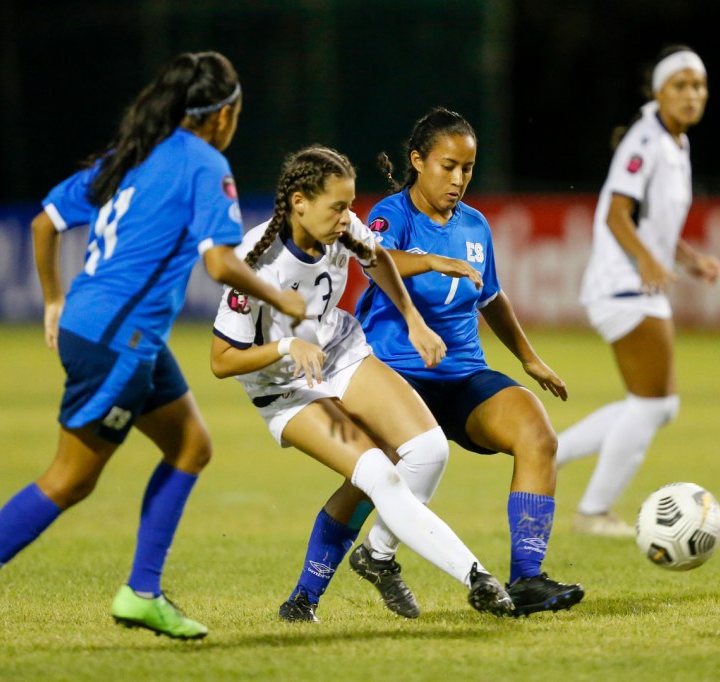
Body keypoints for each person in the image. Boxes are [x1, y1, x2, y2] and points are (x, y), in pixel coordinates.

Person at [0, 51, 307, 655]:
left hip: (108, 329)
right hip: (118, 342)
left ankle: (142, 593)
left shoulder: (132, 153)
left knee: (191, 445)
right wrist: (281, 297)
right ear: (223, 114)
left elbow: (44, 223)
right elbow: (219, 262)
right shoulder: (206, 164)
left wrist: (53, 300)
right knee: (71, 479)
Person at [276, 107, 585, 621]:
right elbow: (375, 260)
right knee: (371, 477)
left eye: (468, 168)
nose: (459, 179)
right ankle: (304, 597)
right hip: (395, 375)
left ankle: (527, 578)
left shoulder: (475, 226)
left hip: (461, 377)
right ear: (418, 161)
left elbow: (492, 297)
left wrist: (529, 359)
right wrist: (432, 260)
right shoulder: (392, 216)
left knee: (537, 433)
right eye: (448, 166)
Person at [210, 145, 516, 623]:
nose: (347, 219)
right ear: (299, 203)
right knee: (378, 473)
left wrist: (414, 320)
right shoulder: (256, 262)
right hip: (283, 386)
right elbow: (222, 360)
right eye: (337, 207)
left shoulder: (343, 226)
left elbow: (378, 260)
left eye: (349, 206)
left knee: (429, 450)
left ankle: (369, 559)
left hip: (339, 351)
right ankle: (475, 576)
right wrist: (287, 347)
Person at [554, 45, 720, 537]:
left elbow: (653, 223)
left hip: (635, 285)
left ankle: (552, 450)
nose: (692, 95)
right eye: (680, 85)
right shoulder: (646, 141)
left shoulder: (674, 142)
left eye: (699, 86)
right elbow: (615, 214)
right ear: (658, 92)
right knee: (650, 405)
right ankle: (593, 512)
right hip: (622, 285)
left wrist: (689, 259)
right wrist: (647, 259)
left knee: (659, 405)